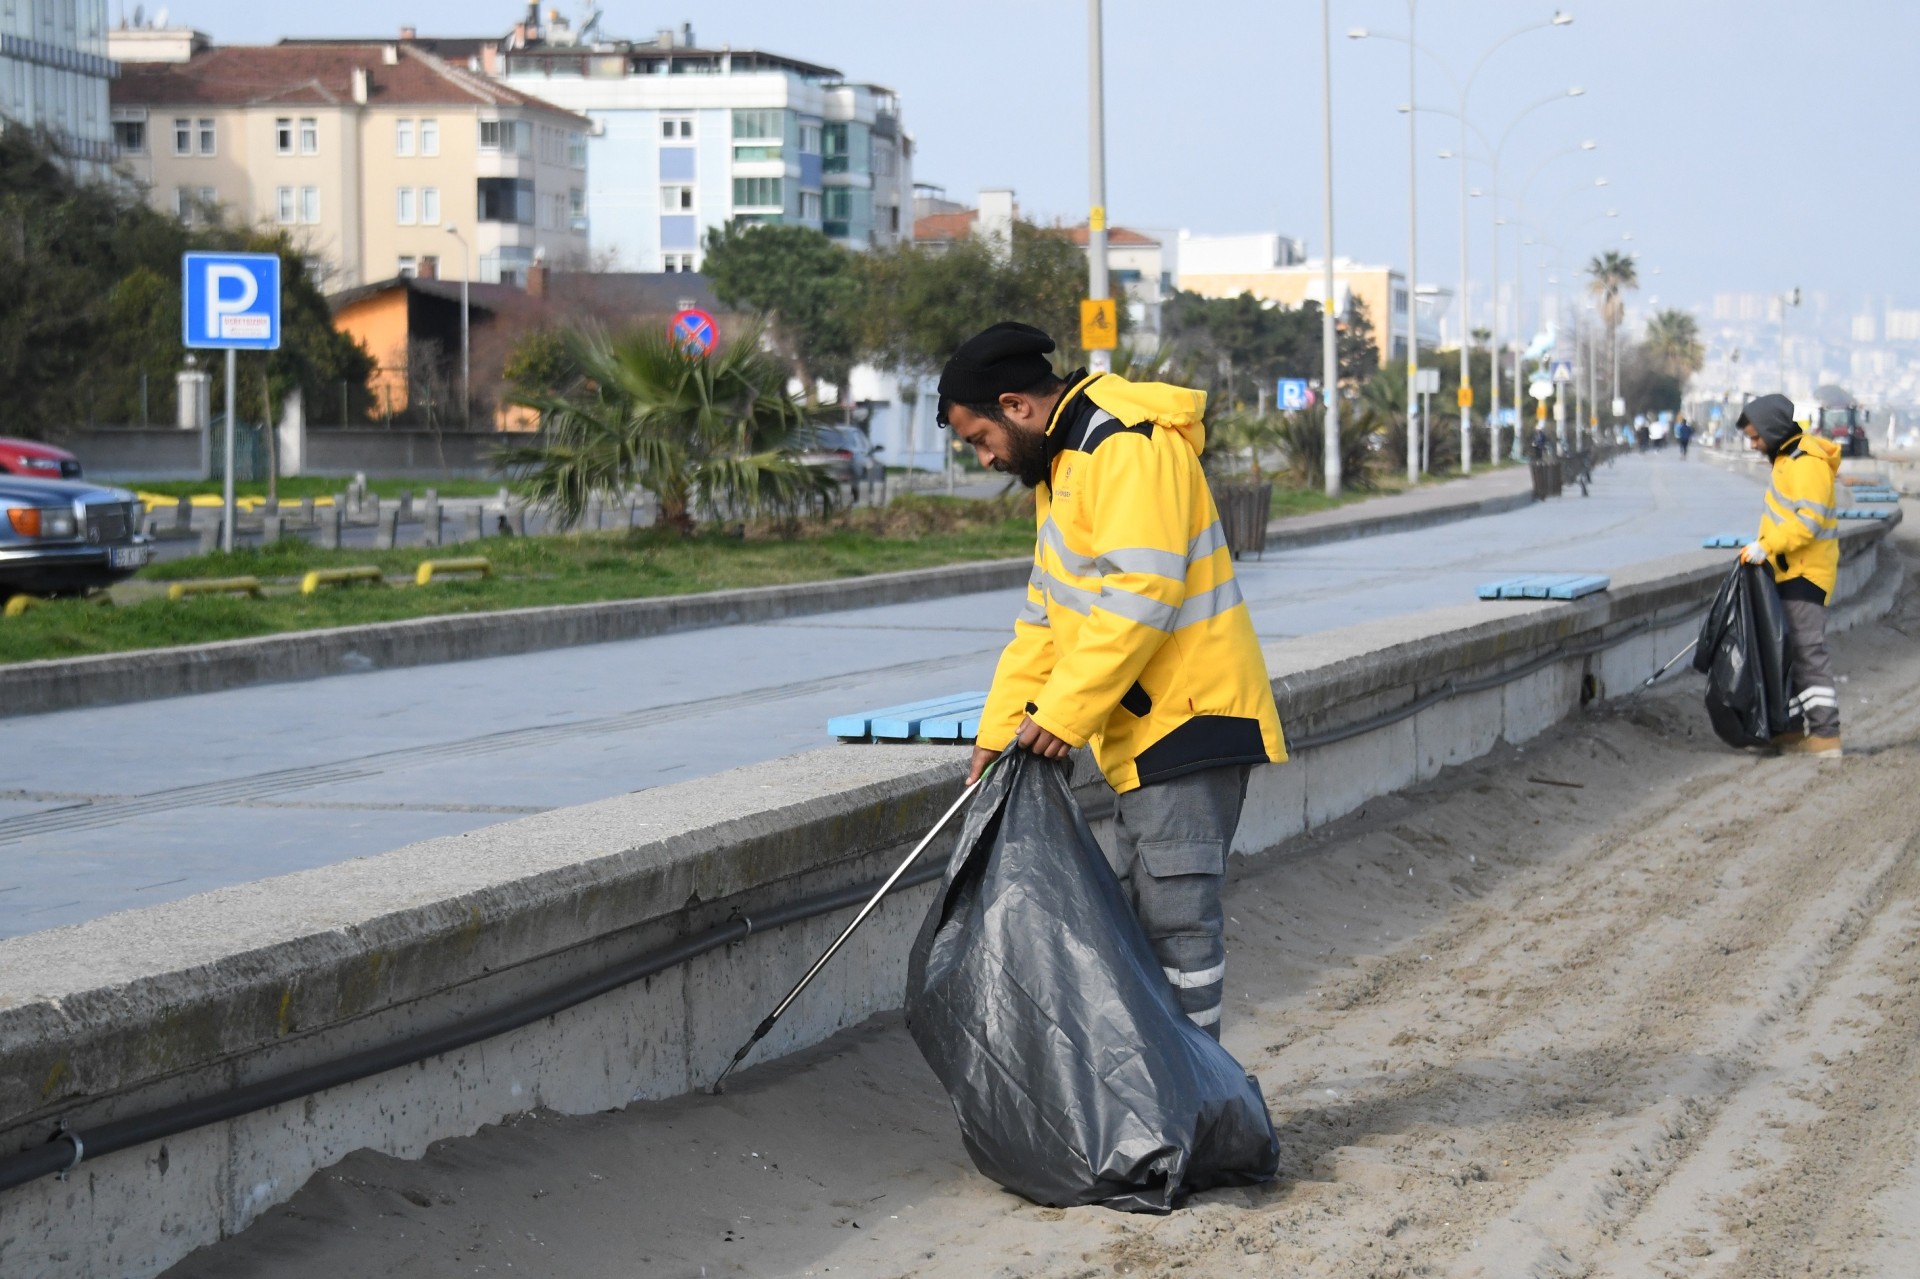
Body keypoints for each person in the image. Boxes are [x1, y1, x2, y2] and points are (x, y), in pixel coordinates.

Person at [940, 322, 1288, 1040]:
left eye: (980, 438)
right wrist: (997, 734)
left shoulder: (1121, 445)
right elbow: (1043, 621)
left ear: (1018, 406)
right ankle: (1172, 1102)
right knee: (1144, 925)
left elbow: (1141, 594)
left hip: (1190, 722)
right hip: (1145, 728)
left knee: (1177, 930)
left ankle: (1202, 1105)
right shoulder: (1064, 464)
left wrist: (1061, 717)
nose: (983, 458)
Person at [1737, 393, 1843, 757]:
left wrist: (1767, 547)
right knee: (1790, 653)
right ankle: (1793, 730)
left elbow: (1808, 523)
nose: (1753, 445)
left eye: (1755, 437)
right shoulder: (1786, 459)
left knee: (1807, 652)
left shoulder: (1806, 463)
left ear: (1772, 429)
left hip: (1805, 573)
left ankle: (1826, 736)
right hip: (1788, 570)